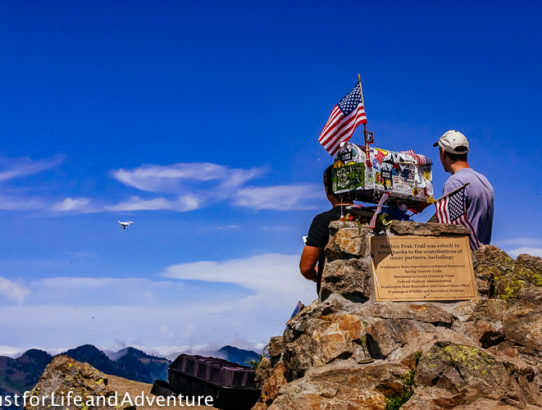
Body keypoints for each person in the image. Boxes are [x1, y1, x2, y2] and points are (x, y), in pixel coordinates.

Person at [300, 165, 354, 293]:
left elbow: (306, 268)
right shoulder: (374, 217)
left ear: (327, 188)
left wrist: (317, 276)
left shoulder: (323, 220)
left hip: (335, 298)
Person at [434, 130, 494, 244]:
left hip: (466, 257)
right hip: (483, 255)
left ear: (443, 153)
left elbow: (451, 230)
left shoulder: (454, 183)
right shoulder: (484, 181)